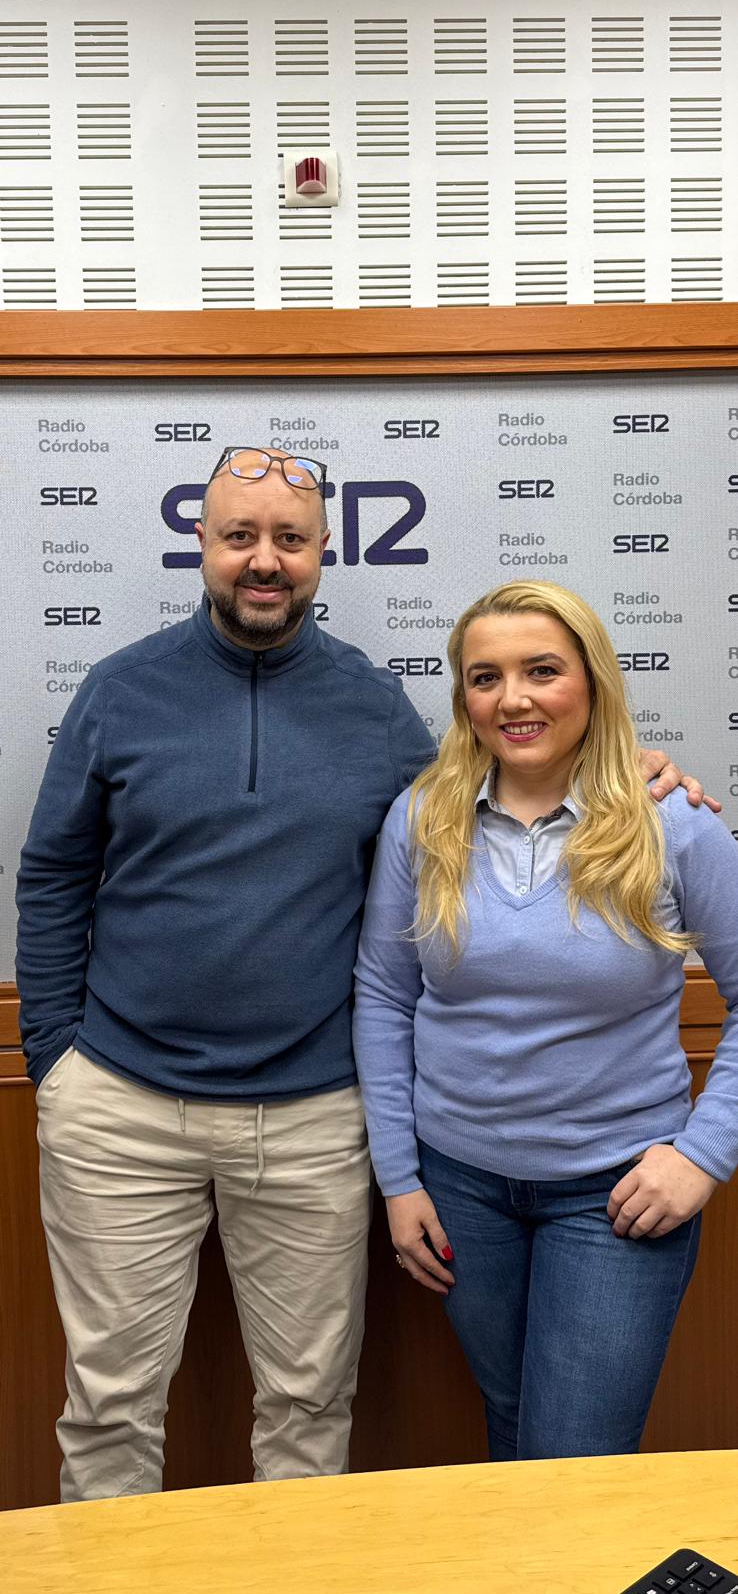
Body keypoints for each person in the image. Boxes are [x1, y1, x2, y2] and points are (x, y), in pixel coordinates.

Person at [15, 451, 712, 1501]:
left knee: (309, 1407)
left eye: (289, 540)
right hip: (120, 1108)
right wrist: (55, 1058)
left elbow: (508, 774)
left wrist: (646, 770)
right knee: (108, 1406)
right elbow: (54, 874)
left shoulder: (376, 709)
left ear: (322, 554)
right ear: (200, 544)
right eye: (239, 536)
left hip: (309, 1116)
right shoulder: (120, 690)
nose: (265, 560)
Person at [353, 578, 738, 1462]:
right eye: (485, 678)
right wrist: (400, 1179)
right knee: (516, 1425)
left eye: (542, 671)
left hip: (616, 1198)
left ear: (593, 685)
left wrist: (704, 1155)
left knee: (574, 1455)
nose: (513, 698)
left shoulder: (672, 825)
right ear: (463, 700)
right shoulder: (424, 819)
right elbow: (383, 993)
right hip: (460, 1193)